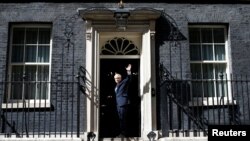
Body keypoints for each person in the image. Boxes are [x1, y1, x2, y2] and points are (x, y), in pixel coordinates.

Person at [113, 64, 132, 137]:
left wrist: (128, 70)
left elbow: (129, 78)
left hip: (123, 103)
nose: (117, 79)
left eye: (118, 78)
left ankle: (123, 133)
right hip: (118, 104)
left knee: (122, 119)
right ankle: (122, 133)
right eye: (115, 78)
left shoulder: (123, 82)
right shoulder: (116, 85)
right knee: (121, 119)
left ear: (121, 78)